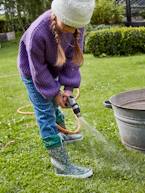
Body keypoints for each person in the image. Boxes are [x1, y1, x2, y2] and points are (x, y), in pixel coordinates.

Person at [17, 0, 95, 178]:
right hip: (33, 72)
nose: (71, 30)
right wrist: (54, 92)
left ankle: (63, 134)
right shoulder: (38, 32)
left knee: (55, 105)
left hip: (51, 68)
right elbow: (38, 70)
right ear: (58, 14)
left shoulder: (77, 26)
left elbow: (72, 59)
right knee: (45, 112)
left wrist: (67, 89)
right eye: (67, 25)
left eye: (76, 27)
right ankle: (61, 166)